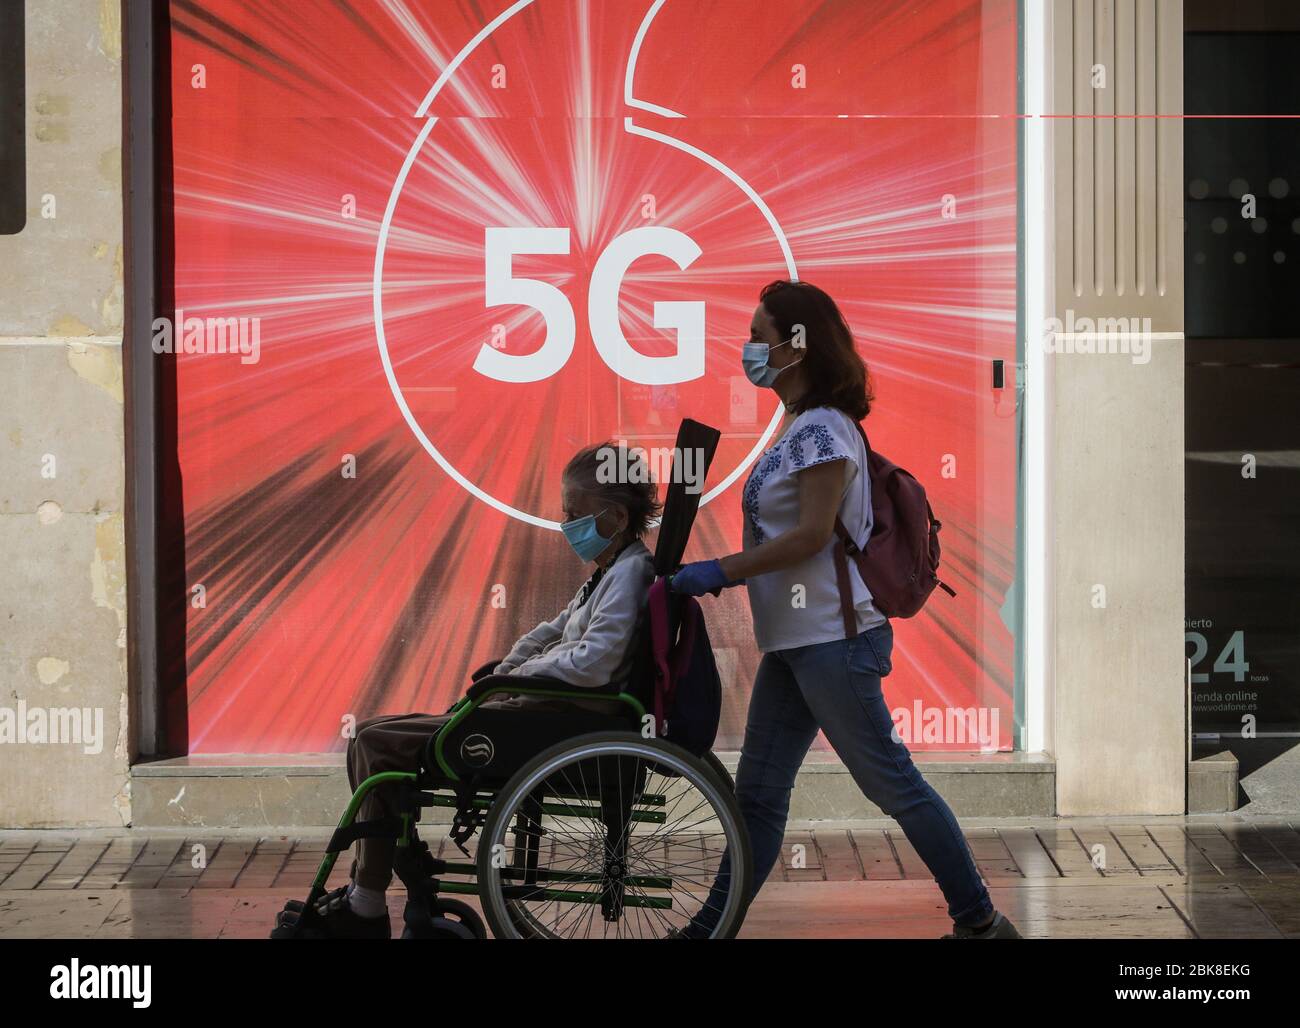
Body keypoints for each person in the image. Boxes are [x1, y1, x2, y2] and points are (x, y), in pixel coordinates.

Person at [670, 279, 1021, 940]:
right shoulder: (798, 429)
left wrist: (716, 572)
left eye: (759, 337)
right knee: (761, 799)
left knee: (892, 785)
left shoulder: (825, 429)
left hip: (836, 641)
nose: (749, 349)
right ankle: (707, 932)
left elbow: (808, 536)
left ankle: (979, 920)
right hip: (799, 643)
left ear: (795, 348)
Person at [316, 441, 659, 938]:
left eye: (576, 514)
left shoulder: (630, 574)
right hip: (545, 712)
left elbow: (595, 664)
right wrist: (513, 668)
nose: (567, 524)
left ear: (618, 516)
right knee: (373, 732)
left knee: (376, 744)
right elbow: (550, 632)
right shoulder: (609, 572)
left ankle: (368, 899)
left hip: (564, 725)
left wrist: (519, 678)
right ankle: (368, 889)